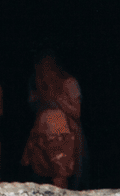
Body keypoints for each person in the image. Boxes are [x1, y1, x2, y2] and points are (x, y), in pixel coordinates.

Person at [20, 53, 84, 188]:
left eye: (47, 65)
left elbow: (76, 112)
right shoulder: (36, 82)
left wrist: (57, 101)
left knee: (59, 176)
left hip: (60, 134)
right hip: (40, 134)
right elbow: (33, 106)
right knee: (40, 177)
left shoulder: (68, 82)